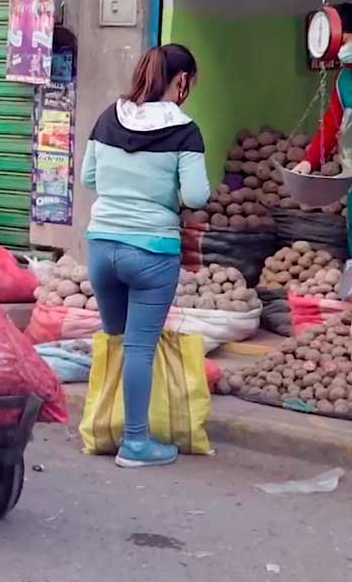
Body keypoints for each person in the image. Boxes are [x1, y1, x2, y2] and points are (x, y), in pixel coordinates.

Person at [81, 44, 210, 469]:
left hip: (101, 246)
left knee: (116, 341)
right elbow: (194, 195)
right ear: (182, 80)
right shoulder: (185, 131)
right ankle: (135, 442)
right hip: (151, 250)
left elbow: (89, 177)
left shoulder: (107, 117)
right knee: (139, 347)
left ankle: (107, 425)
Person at [292, 3, 352, 256]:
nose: (341, 51)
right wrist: (309, 162)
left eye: (344, 41)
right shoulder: (345, 78)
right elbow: (331, 123)